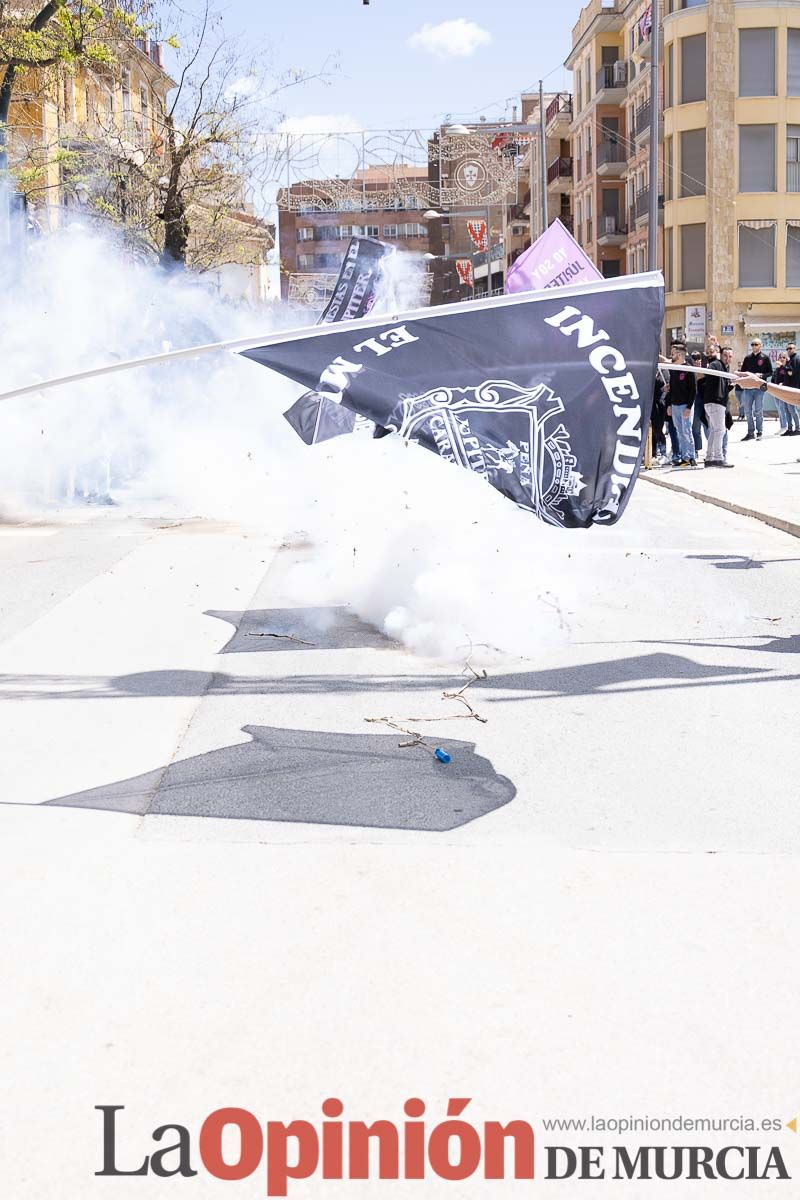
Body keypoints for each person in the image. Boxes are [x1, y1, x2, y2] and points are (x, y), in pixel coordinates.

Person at [664, 341, 697, 467]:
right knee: (679, 432)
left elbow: (694, 390)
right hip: (675, 405)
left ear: (679, 354)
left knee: (687, 431)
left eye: (673, 354)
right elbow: (672, 388)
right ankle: (684, 457)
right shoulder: (673, 370)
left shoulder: (688, 369)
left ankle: (691, 456)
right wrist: (669, 405)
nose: (671, 356)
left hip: (685, 405)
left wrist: (689, 407)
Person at [702, 345, 734, 467]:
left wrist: (732, 384)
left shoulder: (725, 368)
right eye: (725, 355)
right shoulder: (715, 365)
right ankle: (718, 457)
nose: (727, 358)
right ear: (720, 355)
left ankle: (710, 458)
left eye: (730, 356)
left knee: (715, 431)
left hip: (716, 402)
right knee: (720, 430)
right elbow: (711, 377)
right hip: (715, 402)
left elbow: (723, 387)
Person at [739, 339, 773, 440]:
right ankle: (750, 432)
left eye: (756, 344)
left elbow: (770, 372)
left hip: (760, 388)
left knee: (758, 410)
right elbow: (743, 372)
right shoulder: (747, 358)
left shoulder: (765, 358)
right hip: (749, 388)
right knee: (748, 411)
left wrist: (762, 375)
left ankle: (759, 432)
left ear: (760, 345)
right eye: (752, 344)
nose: (754, 346)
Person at [772, 352, 800, 435]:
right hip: (779, 391)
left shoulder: (788, 367)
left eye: (784, 357)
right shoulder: (778, 368)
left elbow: (791, 377)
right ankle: (789, 428)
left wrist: (783, 383)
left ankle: (798, 428)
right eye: (780, 357)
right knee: (785, 410)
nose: (781, 359)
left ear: (787, 358)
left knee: (792, 409)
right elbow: (775, 379)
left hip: (788, 391)